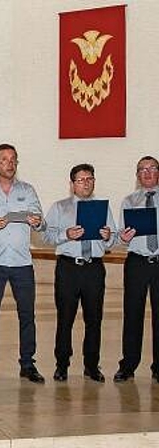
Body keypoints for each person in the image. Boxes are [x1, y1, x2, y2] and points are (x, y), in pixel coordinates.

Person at [0, 143, 46, 384]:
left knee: (27, 315)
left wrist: (36, 222)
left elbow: (41, 223)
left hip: (22, 263)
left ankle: (28, 364)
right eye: (4, 159)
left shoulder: (28, 189)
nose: (10, 164)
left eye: (14, 159)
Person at [43, 164, 115, 382]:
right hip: (68, 268)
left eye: (90, 179)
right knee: (65, 318)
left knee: (94, 319)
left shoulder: (102, 208)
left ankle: (91, 365)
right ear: (72, 184)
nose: (86, 183)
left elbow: (114, 239)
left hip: (93, 267)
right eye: (81, 180)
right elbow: (47, 237)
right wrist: (66, 234)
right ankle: (62, 364)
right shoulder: (59, 207)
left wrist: (106, 236)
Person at [114, 156, 159, 383]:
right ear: (137, 175)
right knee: (133, 314)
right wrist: (122, 237)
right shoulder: (130, 201)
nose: (147, 172)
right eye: (142, 169)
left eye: (152, 168)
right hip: (137, 261)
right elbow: (121, 236)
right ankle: (128, 364)